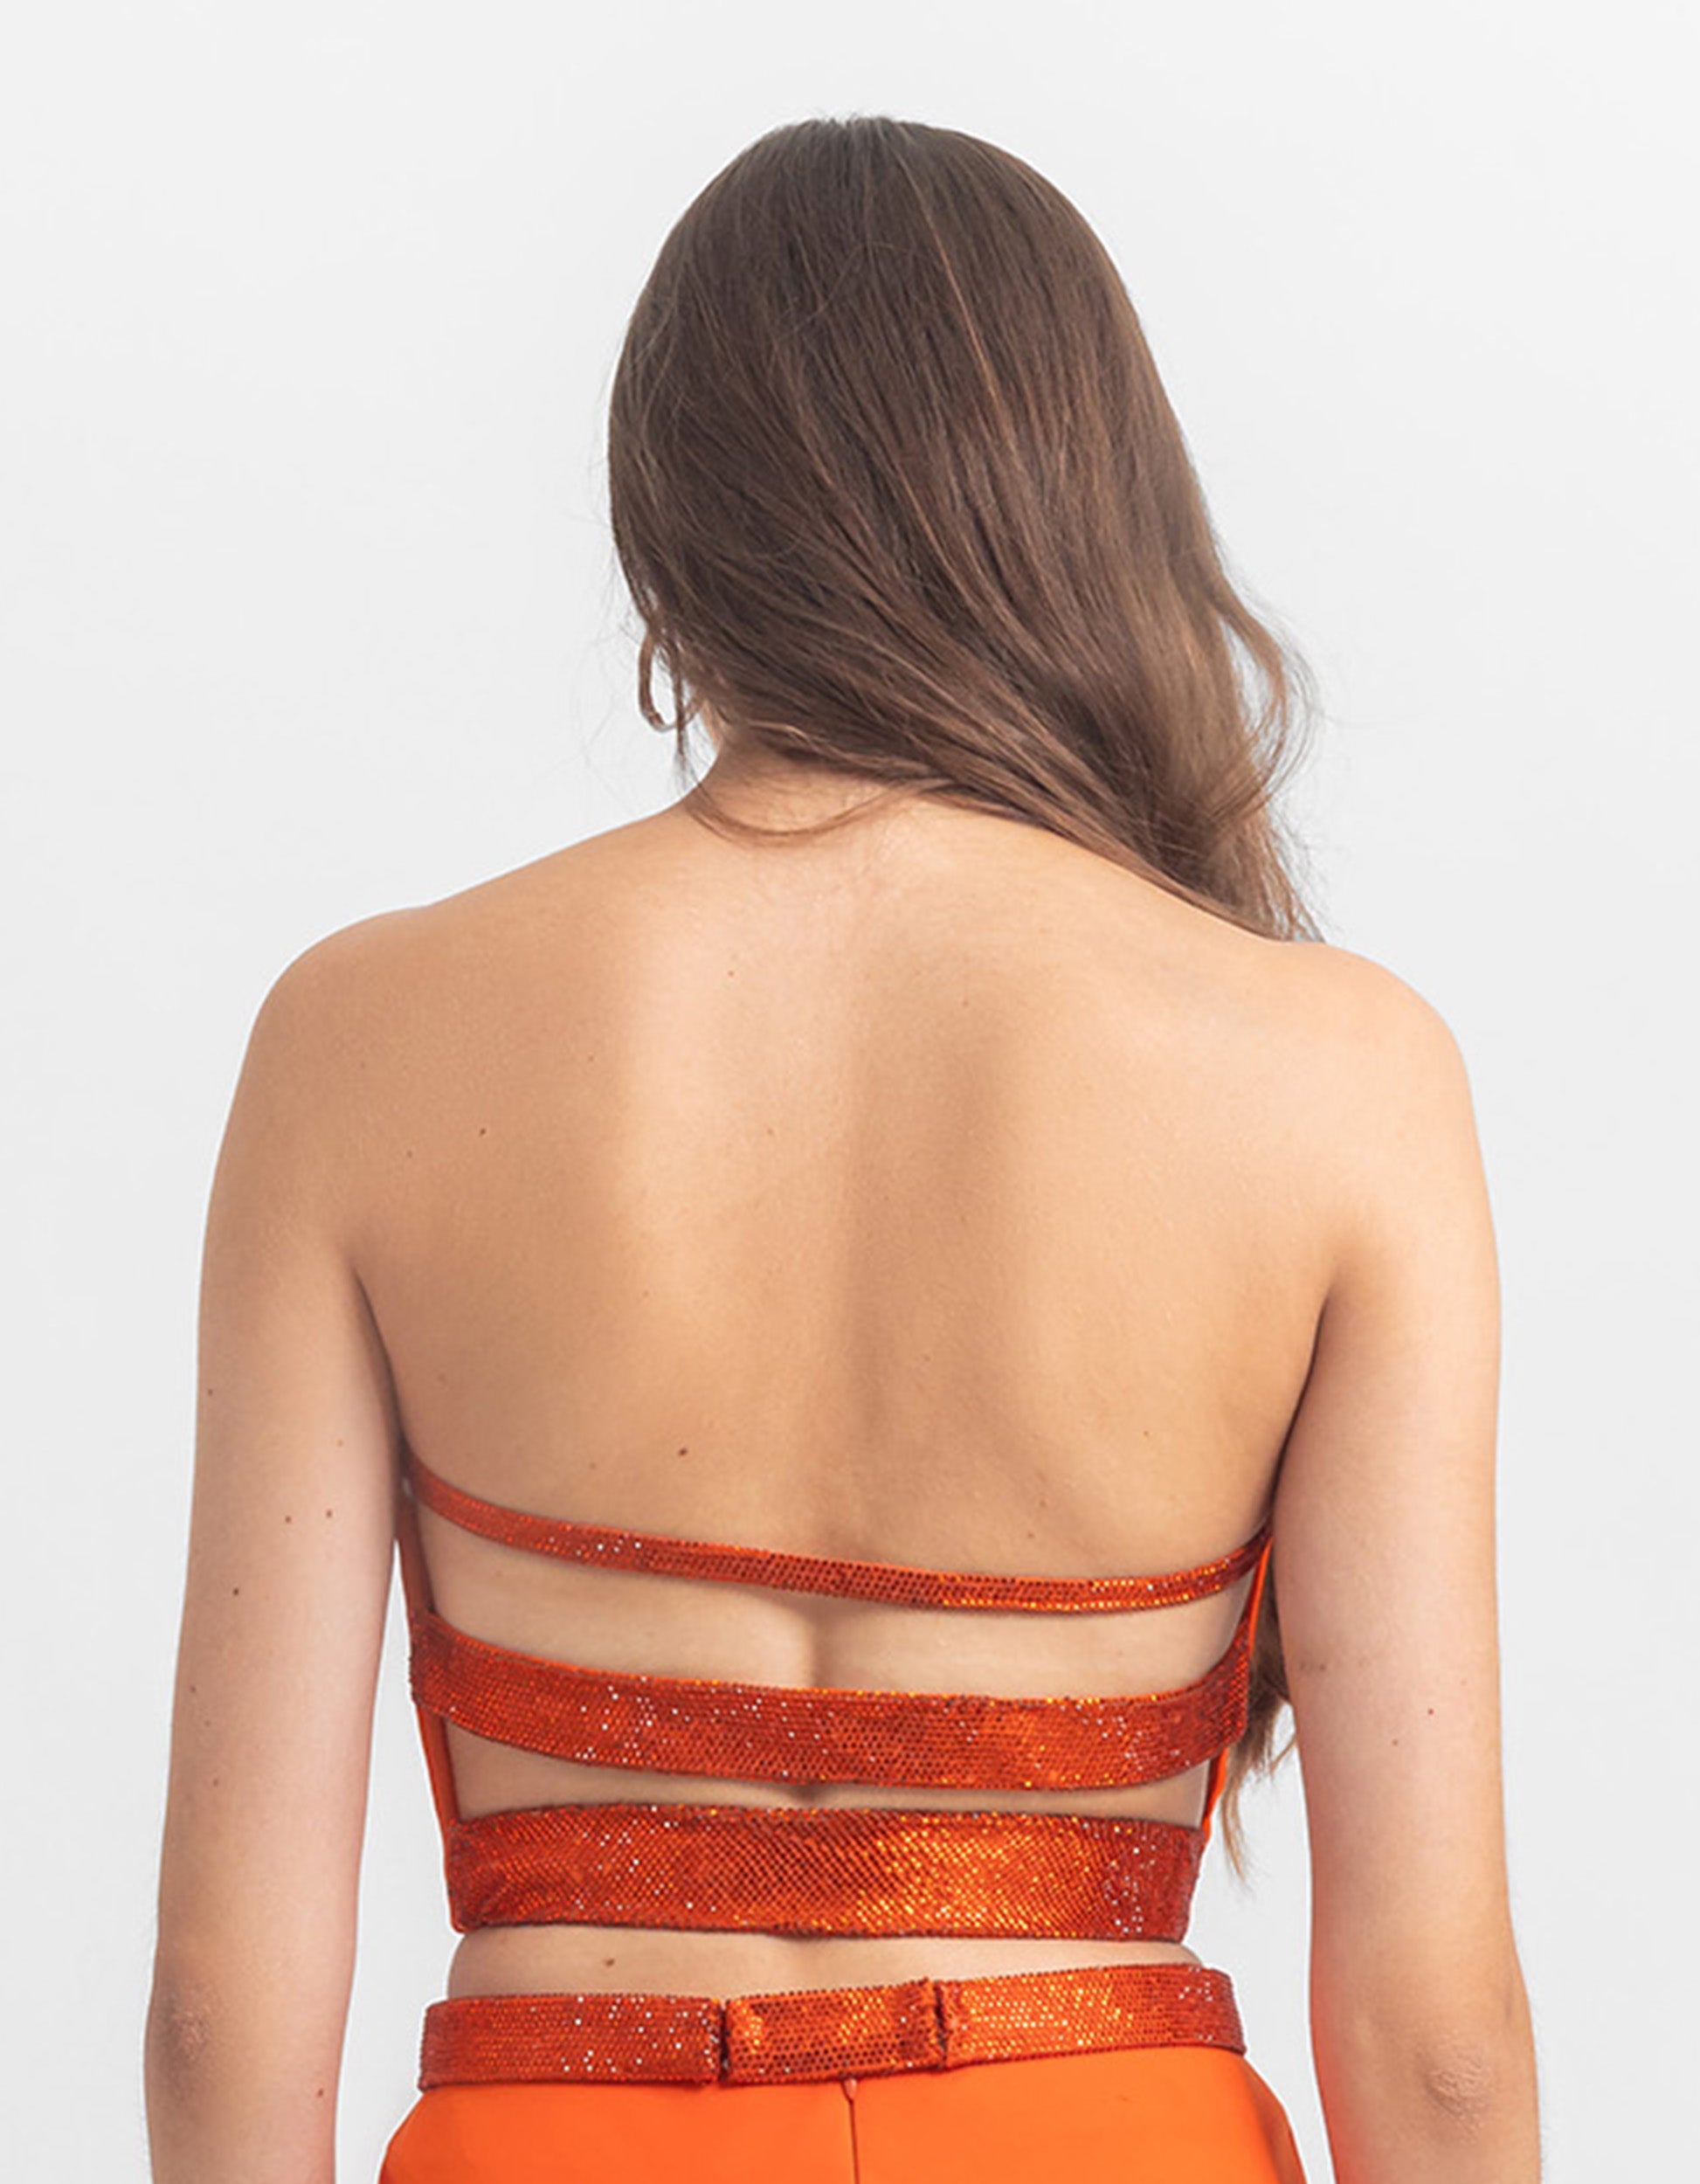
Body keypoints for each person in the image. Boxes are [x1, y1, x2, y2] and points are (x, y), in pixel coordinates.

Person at [144, 115, 1539, 2183]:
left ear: (666, 524)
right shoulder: (1342, 1072)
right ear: (1087, 504)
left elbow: (221, 2009)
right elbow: (1437, 2038)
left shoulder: (358, 1039)